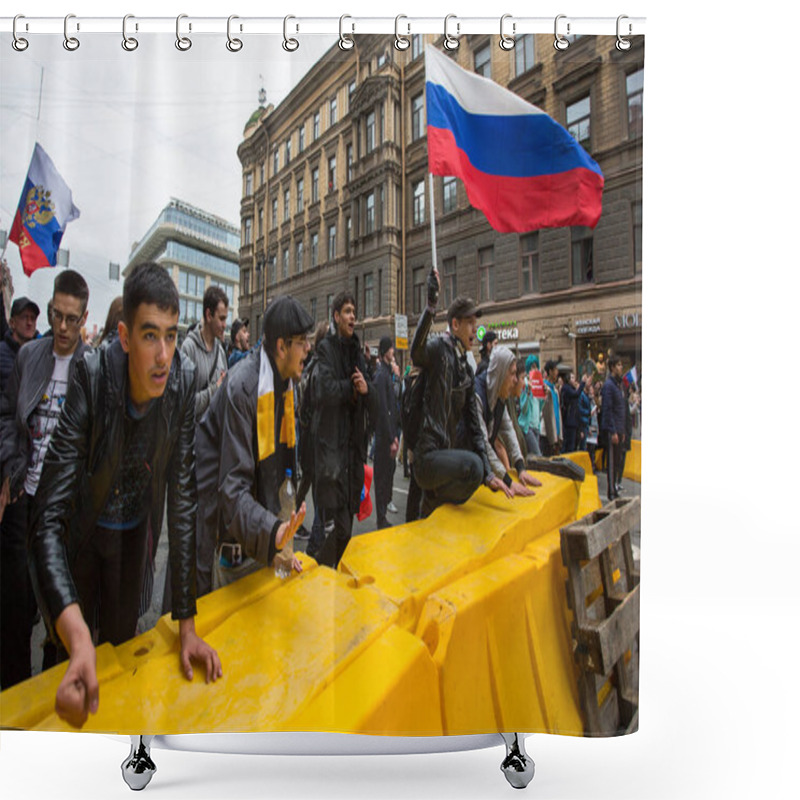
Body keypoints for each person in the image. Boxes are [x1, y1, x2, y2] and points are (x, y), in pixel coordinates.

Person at [27, 262, 222, 729]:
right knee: (67, 656)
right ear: (124, 335)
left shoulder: (181, 383)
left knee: (122, 653)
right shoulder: (91, 378)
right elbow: (47, 519)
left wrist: (187, 624)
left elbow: (183, 504)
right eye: (150, 336)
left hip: (134, 537)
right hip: (84, 533)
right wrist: (74, 638)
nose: (163, 355)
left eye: (172, 336)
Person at [0, 271, 90, 690]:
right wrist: (11, 464)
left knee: (60, 606)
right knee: (16, 605)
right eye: (57, 315)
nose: (64, 327)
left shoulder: (93, 368)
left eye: (73, 319)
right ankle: (16, 697)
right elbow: (8, 417)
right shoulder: (28, 357)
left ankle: (51, 694)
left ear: (84, 317)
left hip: (64, 508)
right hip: (24, 497)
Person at [195, 296, 312, 590]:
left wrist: (283, 545)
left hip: (249, 537)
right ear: (281, 347)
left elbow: (281, 475)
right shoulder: (241, 388)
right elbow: (232, 488)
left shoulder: (287, 385)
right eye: (302, 341)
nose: (309, 349)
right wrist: (273, 534)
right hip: (216, 534)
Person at [410, 269, 512, 518]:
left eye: (475, 324)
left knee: (478, 471)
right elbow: (416, 352)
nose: (474, 331)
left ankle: (432, 507)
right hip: (427, 456)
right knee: (473, 467)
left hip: (445, 457)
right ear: (455, 325)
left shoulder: (466, 369)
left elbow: (476, 429)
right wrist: (430, 308)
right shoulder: (438, 350)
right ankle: (432, 502)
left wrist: (490, 475)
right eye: (469, 323)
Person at [308, 291, 376, 568]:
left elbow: (370, 391)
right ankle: (320, 571)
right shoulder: (326, 350)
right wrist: (352, 387)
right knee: (341, 527)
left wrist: (366, 388)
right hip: (332, 451)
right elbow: (323, 390)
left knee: (345, 526)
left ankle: (322, 571)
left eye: (354, 312)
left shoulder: (357, 352)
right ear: (336, 317)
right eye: (347, 311)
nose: (352, 317)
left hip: (354, 452)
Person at [473, 347, 541, 496]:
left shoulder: (499, 395)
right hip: (468, 469)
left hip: (481, 467)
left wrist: (521, 468)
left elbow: (508, 429)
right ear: (500, 373)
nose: (516, 380)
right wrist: (508, 481)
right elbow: (483, 443)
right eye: (512, 374)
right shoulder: (477, 395)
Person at [181, 285, 228, 419]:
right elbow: (185, 405)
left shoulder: (221, 352)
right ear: (208, 315)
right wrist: (215, 389)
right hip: (195, 438)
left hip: (215, 437)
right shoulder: (189, 348)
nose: (225, 325)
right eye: (221, 318)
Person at [373, 336, 401, 529]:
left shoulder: (386, 373)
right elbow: (383, 409)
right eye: (391, 349)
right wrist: (391, 437)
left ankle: (382, 516)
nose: (393, 352)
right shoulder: (381, 376)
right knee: (382, 477)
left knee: (386, 475)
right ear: (385, 351)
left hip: (389, 435)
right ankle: (381, 518)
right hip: (384, 438)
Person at [601, 356, 626, 501]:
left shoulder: (618, 385)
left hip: (619, 429)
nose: (620, 367)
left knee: (617, 462)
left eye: (621, 364)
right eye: (618, 364)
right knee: (611, 463)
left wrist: (621, 431)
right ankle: (611, 492)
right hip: (612, 431)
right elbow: (608, 409)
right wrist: (613, 431)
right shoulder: (609, 385)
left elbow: (620, 409)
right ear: (612, 367)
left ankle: (615, 487)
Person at [0, 295, 40, 387]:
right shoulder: (2, 352)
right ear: (12, 323)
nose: (29, 323)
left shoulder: (40, 354)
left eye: (33, 318)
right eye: (24, 317)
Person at [540, 359, 563, 456]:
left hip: (556, 431)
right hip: (546, 432)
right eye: (555, 370)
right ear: (550, 371)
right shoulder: (544, 388)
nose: (557, 372)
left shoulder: (555, 390)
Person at [560, 371, 582, 453]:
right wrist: (582, 384)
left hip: (574, 421)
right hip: (569, 421)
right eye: (572, 378)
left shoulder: (571, 388)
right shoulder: (566, 388)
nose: (574, 380)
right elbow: (576, 394)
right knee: (569, 444)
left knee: (573, 445)